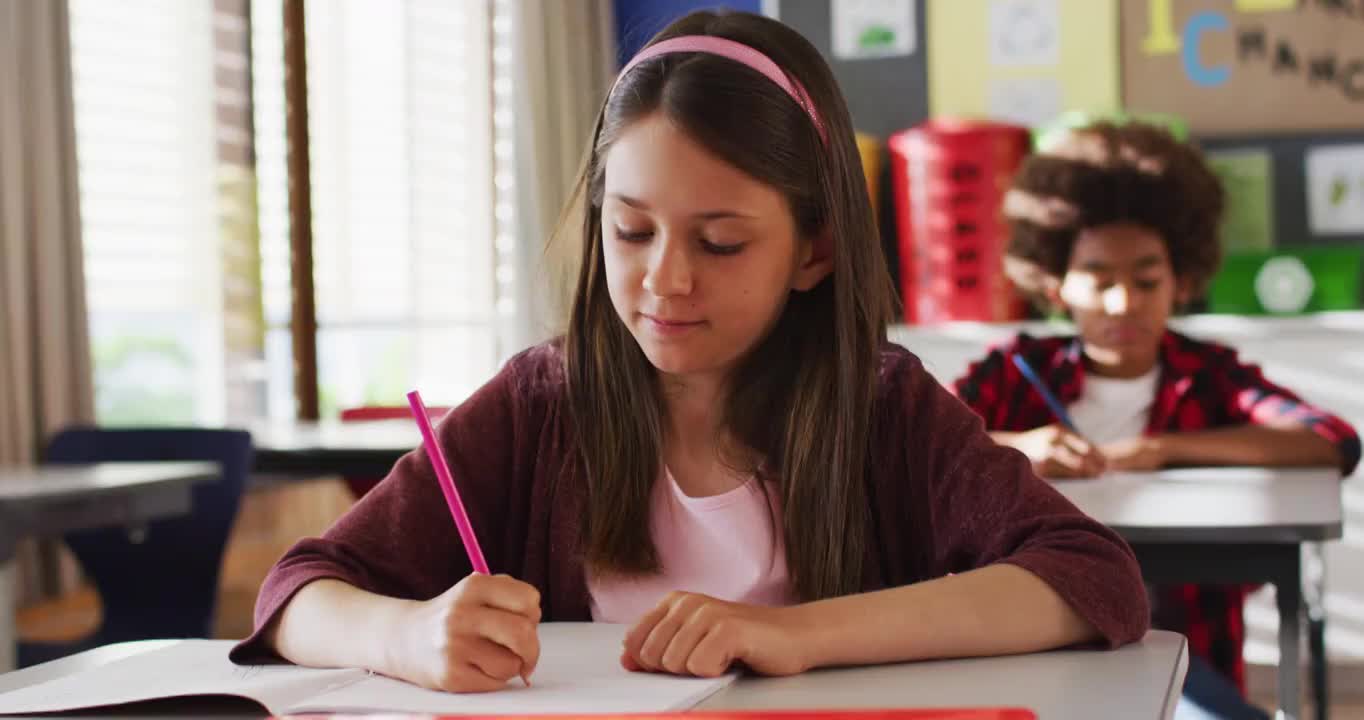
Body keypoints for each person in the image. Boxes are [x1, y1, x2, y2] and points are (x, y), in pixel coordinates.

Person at [230, 11, 1150, 694]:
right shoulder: (542, 404)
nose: (665, 282)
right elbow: (296, 592)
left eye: (720, 244)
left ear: (816, 250)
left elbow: (1089, 577)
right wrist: (411, 637)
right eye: (631, 232)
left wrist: (797, 634)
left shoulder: (882, 406)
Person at [952, 120, 1360, 717]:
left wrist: (1164, 449)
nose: (1124, 304)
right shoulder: (1014, 373)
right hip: (1030, 653)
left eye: (1146, 280)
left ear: (1182, 282)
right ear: (1057, 283)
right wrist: (1015, 447)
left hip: (1185, 656)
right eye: (1098, 278)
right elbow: (907, 443)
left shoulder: (1210, 376)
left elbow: (1329, 441)